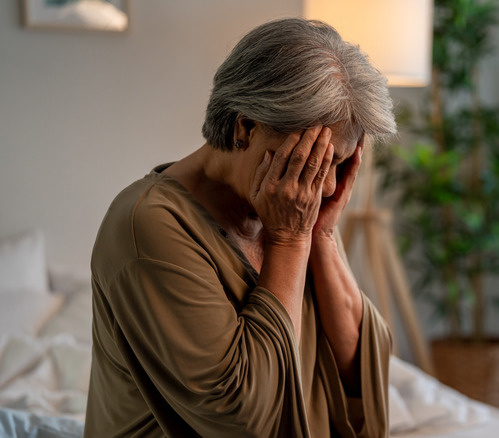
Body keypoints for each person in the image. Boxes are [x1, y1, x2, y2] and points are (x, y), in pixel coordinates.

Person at [85, 18, 396, 437]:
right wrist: (289, 239)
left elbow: (357, 372)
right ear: (245, 127)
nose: (323, 185)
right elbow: (243, 419)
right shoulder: (148, 224)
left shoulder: (294, 203)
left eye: (336, 163)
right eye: (308, 161)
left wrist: (319, 236)